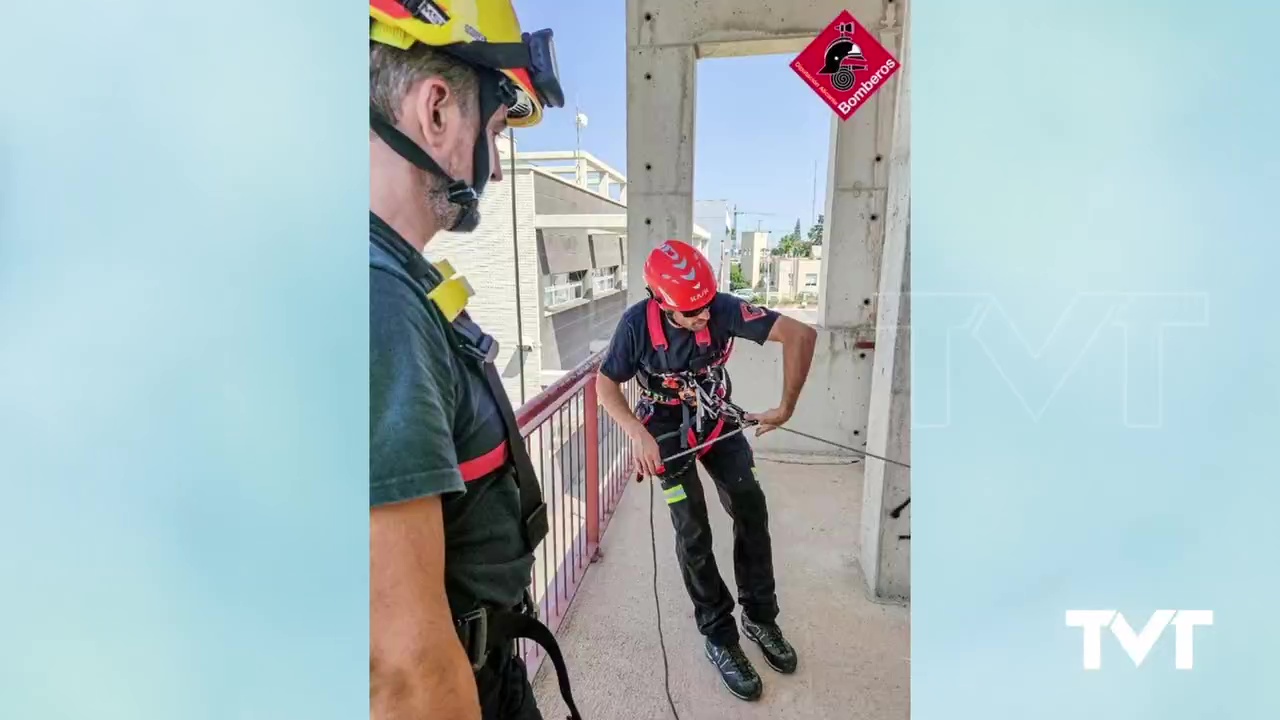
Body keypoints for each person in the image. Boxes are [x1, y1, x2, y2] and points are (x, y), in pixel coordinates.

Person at [367, 2, 580, 719]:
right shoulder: (375, 303)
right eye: (494, 129)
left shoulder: (403, 281)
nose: (497, 159)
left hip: (490, 664)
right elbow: (399, 671)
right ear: (435, 111)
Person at [595, 239, 818, 702]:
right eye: (690, 313)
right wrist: (637, 432)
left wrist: (785, 409)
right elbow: (605, 383)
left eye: (705, 308)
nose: (703, 318)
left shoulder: (720, 306)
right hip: (664, 430)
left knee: (751, 509)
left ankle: (759, 617)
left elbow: (801, 335)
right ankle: (719, 636)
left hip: (717, 419)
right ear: (660, 301)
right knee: (693, 530)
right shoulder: (636, 325)